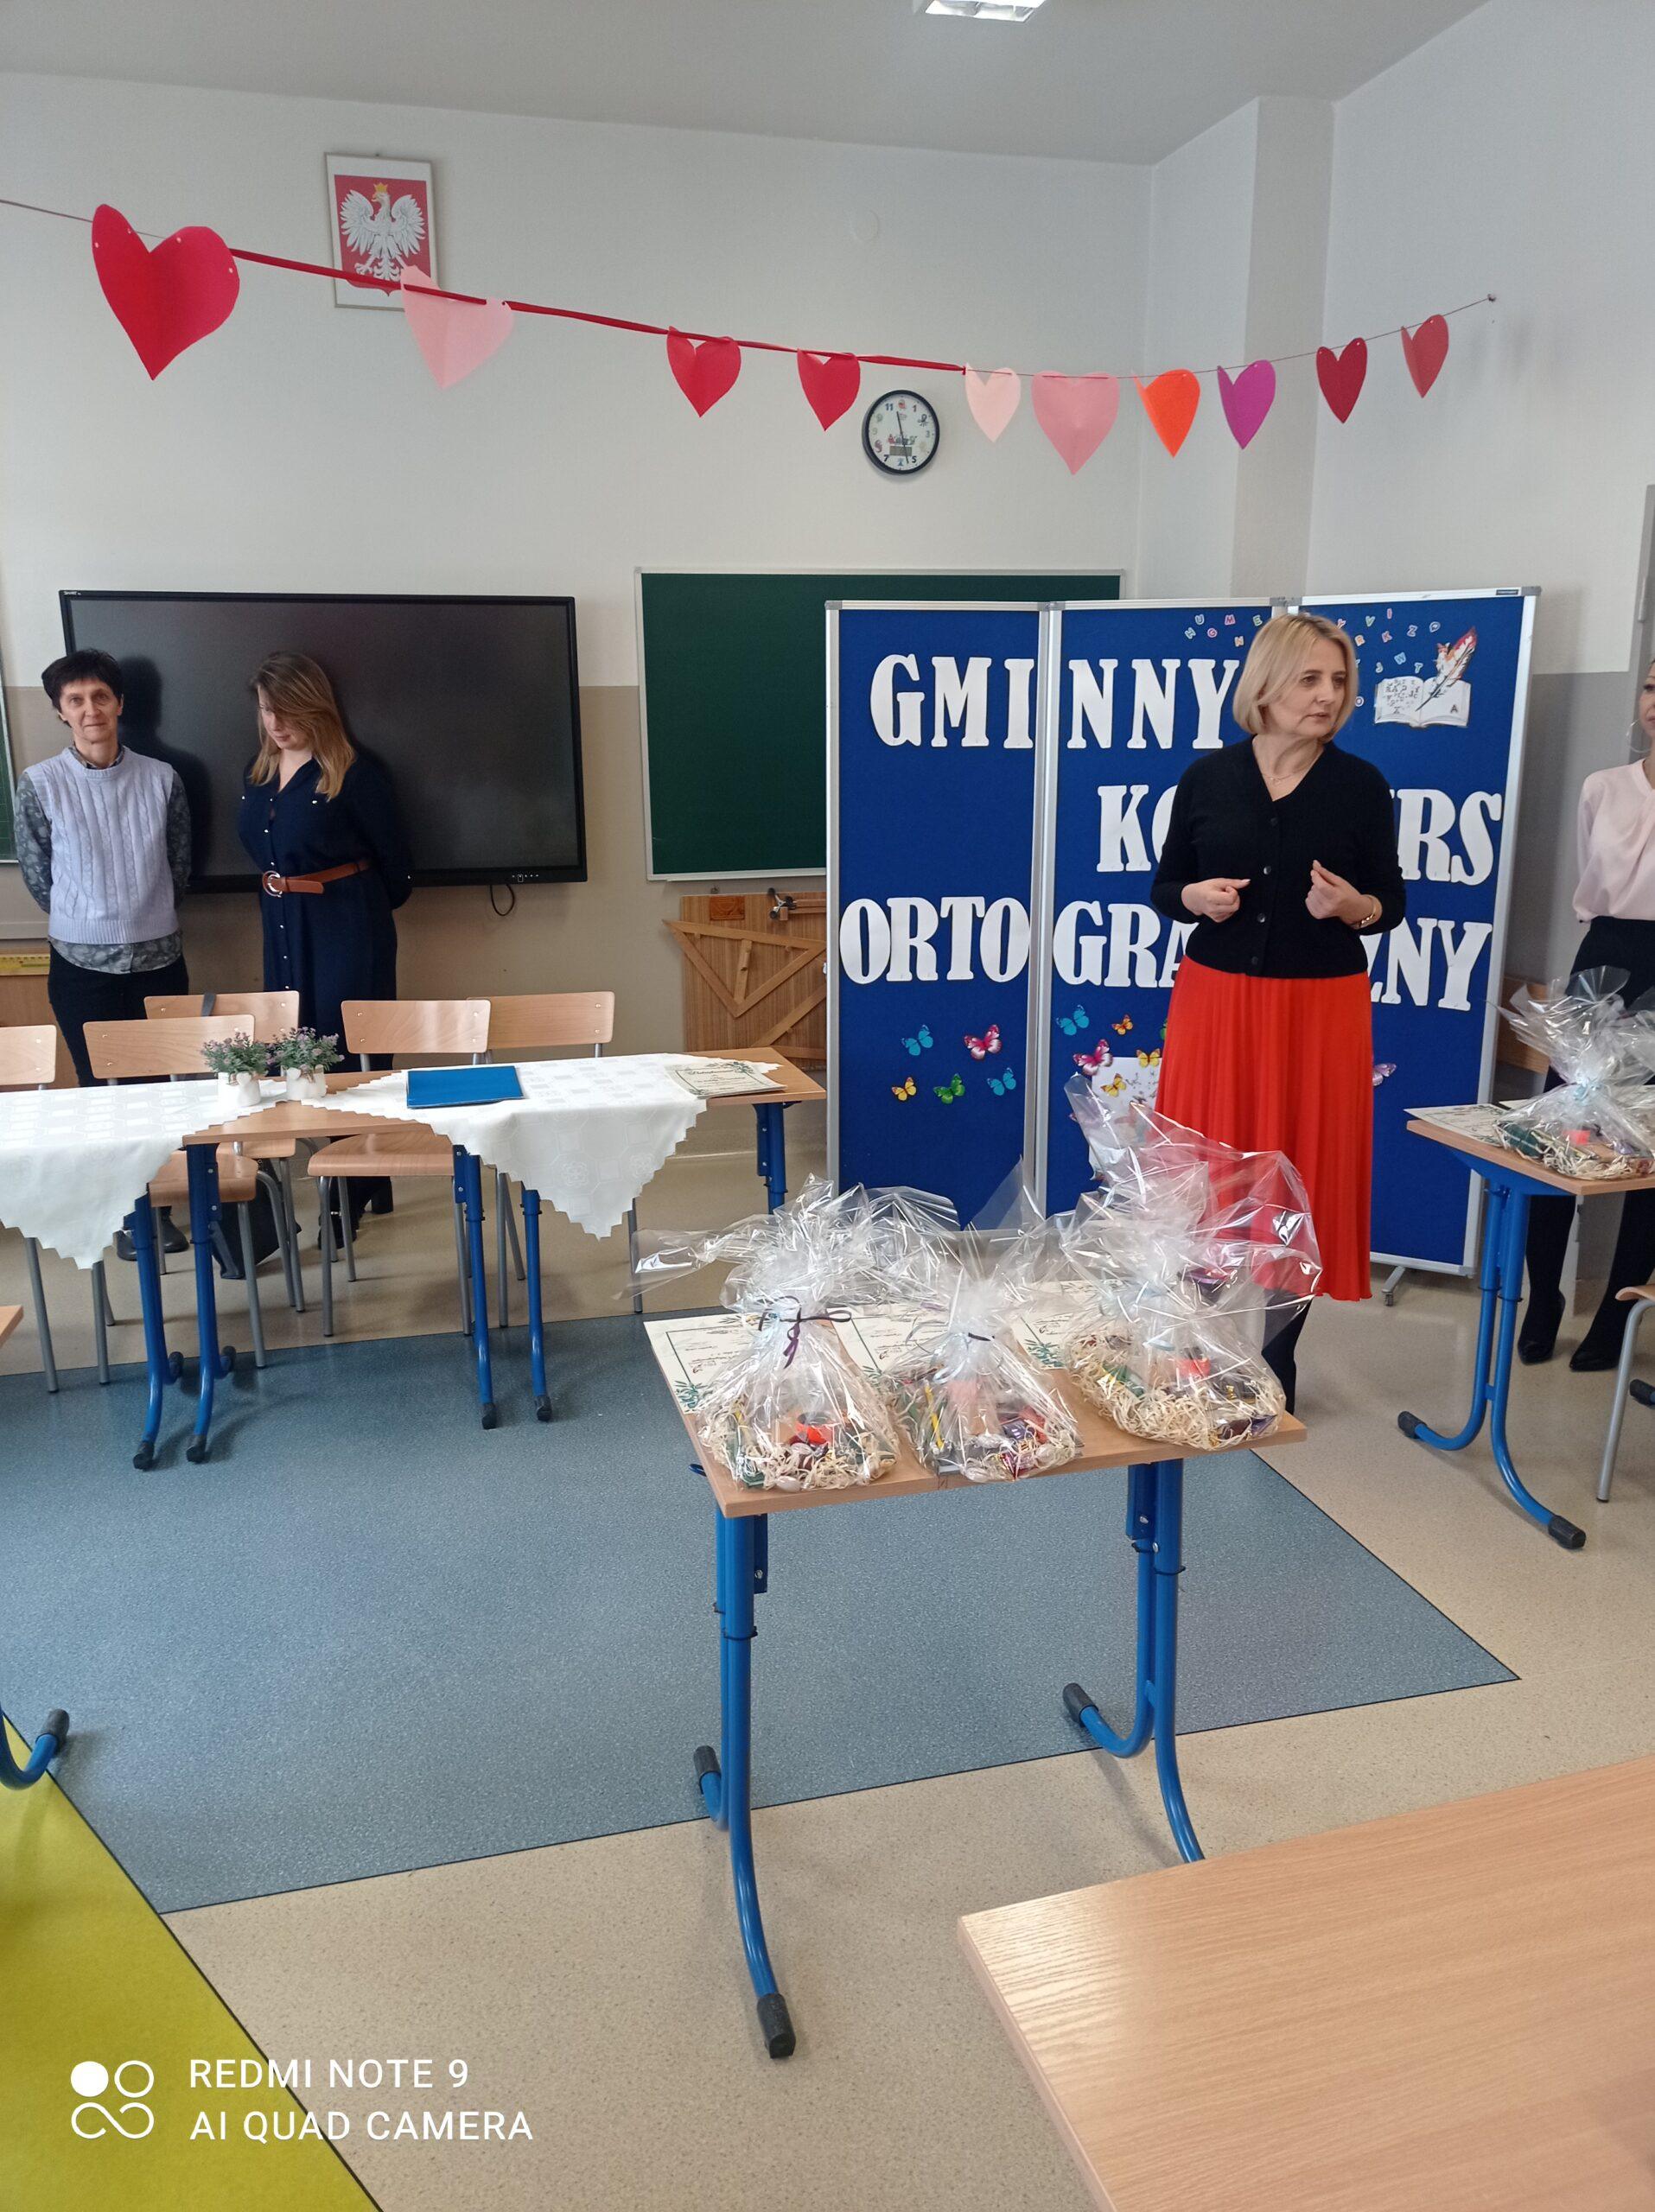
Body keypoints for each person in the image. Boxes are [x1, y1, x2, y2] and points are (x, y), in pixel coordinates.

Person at [1149, 613, 1407, 1411]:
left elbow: (1389, 902)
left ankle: (1276, 1358)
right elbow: (1165, 888)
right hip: (1217, 1003)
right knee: (1204, 1172)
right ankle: (1195, 1346)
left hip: (1319, 1012)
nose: (1328, 695)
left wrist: (1354, 906)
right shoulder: (1206, 779)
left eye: (1339, 681)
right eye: (1310, 678)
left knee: (1301, 1174)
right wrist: (1193, 898)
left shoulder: (1359, 785)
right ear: (1264, 685)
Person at [16, 648, 193, 1251]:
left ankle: (158, 1208)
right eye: (75, 701)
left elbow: (179, 864)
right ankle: (124, 1215)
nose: (90, 710)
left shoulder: (162, 779)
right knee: (101, 1093)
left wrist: (143, 913)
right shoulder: (39, 783)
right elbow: (39, 874)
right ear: (60, 712)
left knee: (160, 1093)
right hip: (80, 965)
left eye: (100, 697)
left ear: (119, 704)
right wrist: (90, 918)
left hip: (159, 960)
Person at [237, 652, 411, 1223]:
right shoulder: (257, 774)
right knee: (291, 1052)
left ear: (317, 707)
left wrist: (353, 912)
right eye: (268, 710)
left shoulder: (356, 772)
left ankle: (353, 1190)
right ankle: (353, 1181)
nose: (277, 723)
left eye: (289, 711)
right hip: (281, 926)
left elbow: (397, 869)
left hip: (346, 928)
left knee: (347, 1055)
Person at [1518, 658, 1655, 1370]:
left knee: (1648, 1150)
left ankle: (1615, 1316)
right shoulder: (1602, 787)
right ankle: (1541, 1298)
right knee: (1559, 1132)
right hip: (1602, 960)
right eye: (1652, 686)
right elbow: (1589, 883)